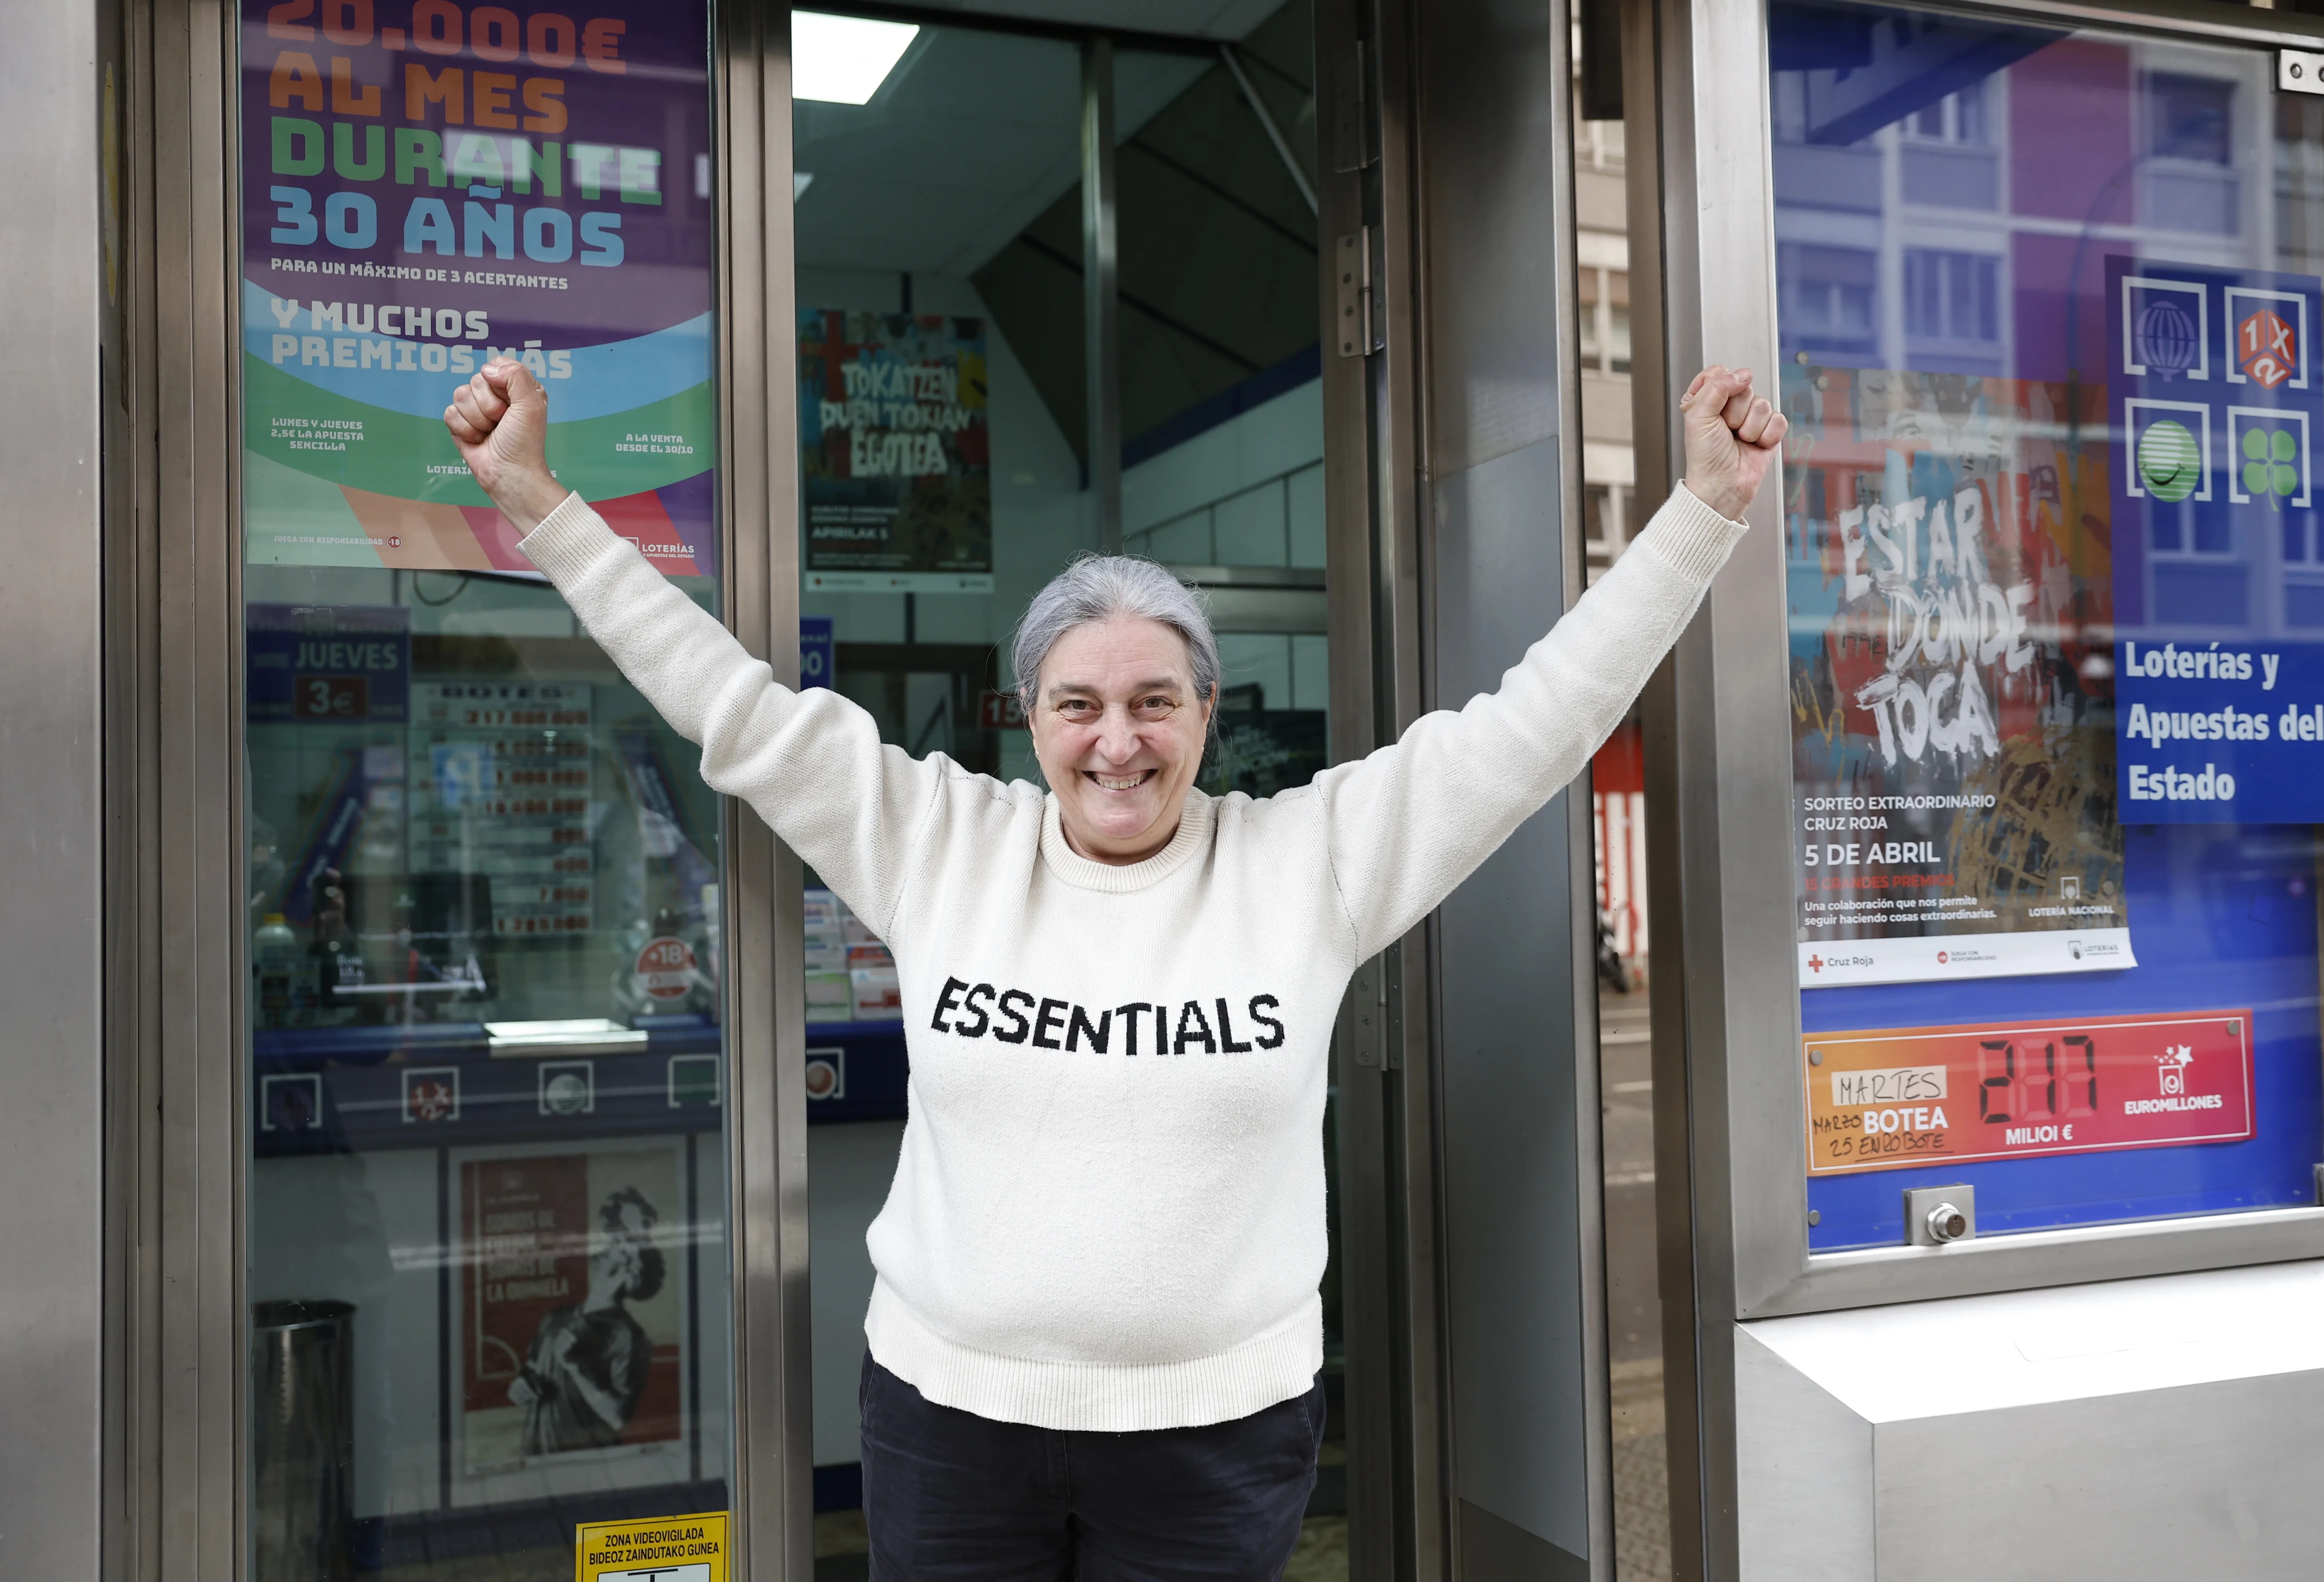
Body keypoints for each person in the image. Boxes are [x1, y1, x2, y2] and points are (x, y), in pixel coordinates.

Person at [446, 357, 1783, 1577]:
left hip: (1215, 1441)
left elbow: (1538, 722)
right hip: (947, 1424)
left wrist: (1702, 514)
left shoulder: (1306, 860)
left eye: (1156, 701)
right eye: (1078, 704)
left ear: (1210, 711)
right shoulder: (940, 843)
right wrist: (536, 500)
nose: (1118, 742)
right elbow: (725, 700)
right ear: (1029, 719)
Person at [509, 1185, 666, 1455]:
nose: (608, 1245)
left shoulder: (629, 1336)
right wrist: (520, 1389)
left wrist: (576, 1366)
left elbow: (618, 1417)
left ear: (632, 1273)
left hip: (589, 1463)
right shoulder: (555, 1317)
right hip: (536, 1457)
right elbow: (529, 1376)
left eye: (620, 1244)